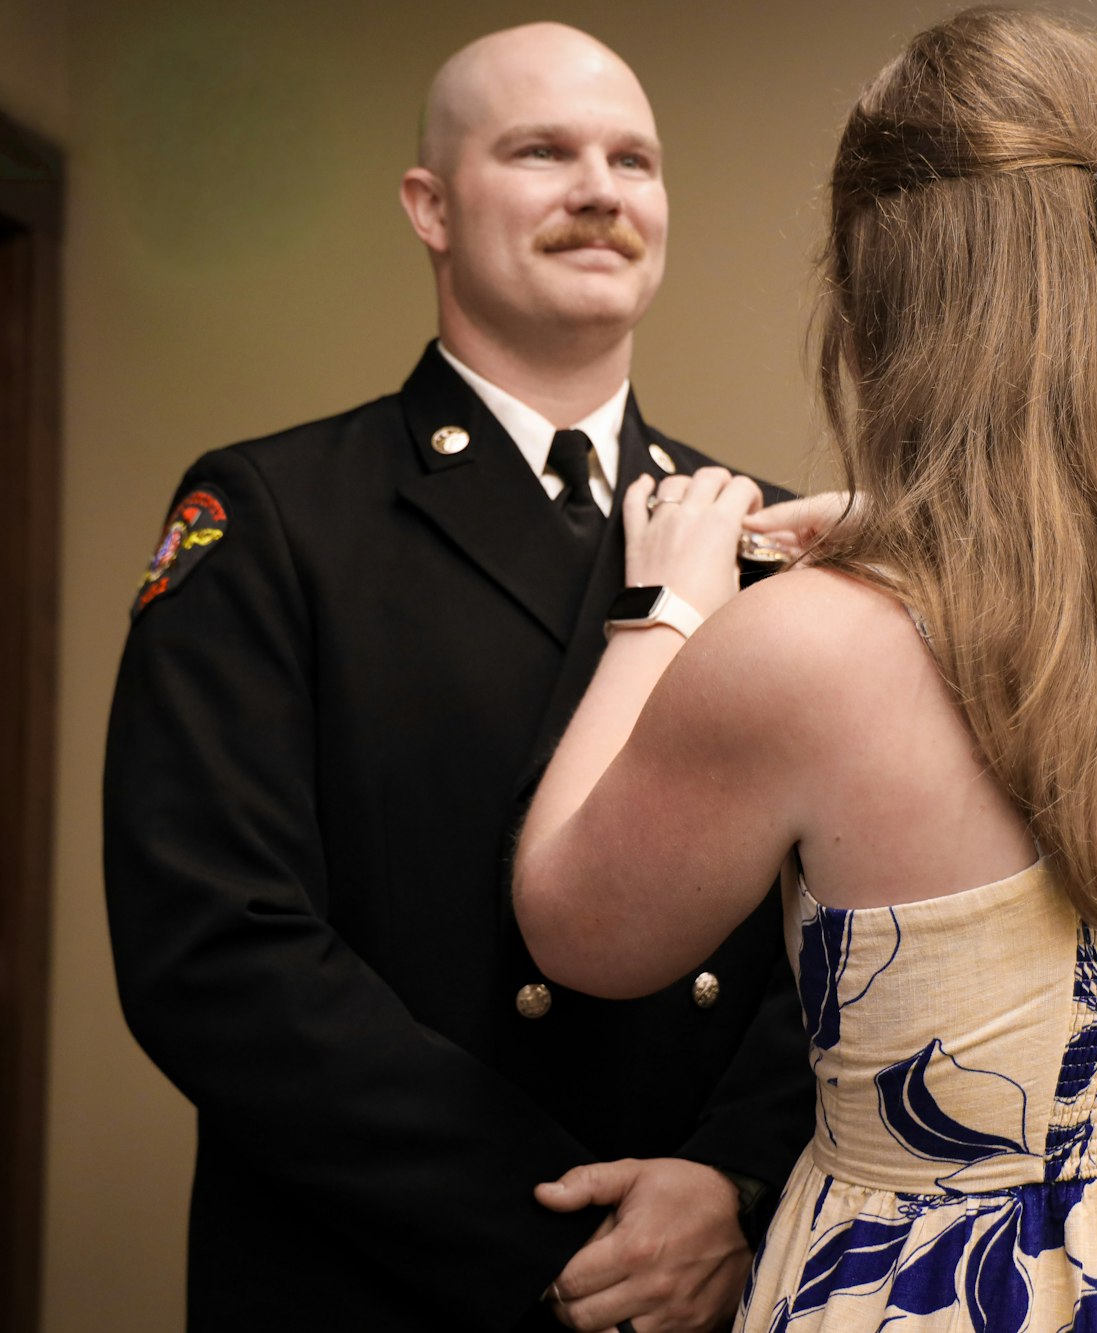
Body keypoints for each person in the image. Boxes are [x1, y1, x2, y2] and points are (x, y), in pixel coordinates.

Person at [515, 10, 1097, 1331]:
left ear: (876, 297)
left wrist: (666, 612)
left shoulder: (807, 651)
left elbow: (577, 928)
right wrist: (912, 527)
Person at [102, 21, 809, 1333]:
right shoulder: (272, 514)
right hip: (389, 1270)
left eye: (633, 160)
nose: (600, 190)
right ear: (430, 206)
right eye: (542, 151)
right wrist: (569, 1230)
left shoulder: (761, 532)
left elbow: (840, 923)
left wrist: (731, 1181)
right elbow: (215, 952)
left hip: (701, 1274)